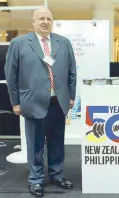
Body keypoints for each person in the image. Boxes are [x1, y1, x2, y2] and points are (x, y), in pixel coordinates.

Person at [4, 7, 76, 197]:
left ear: (52, 22)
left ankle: (56, 174)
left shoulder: (64, 42)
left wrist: (71, 96)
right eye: (41, 19)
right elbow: (11, 76)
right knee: (35, 143)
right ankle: (36, 180)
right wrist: (16, 102)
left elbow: (72, 72)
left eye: (49, 19)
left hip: (58, 101)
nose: (45, 22)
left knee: (57, 141)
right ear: (33, 22)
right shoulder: (19, 43)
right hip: (32, 101)